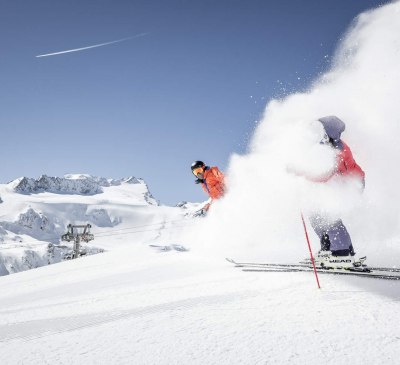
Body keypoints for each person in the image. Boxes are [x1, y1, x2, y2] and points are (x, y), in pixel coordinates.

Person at [307, 116, 365, 267]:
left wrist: (301, 173)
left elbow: (325, 175)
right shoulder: (325, 146)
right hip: (338, 182)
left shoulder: (338, 151)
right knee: (314, 214)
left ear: (328, 134)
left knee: (329, 215)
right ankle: (329, 248)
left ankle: (342, 252)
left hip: (353, 183)